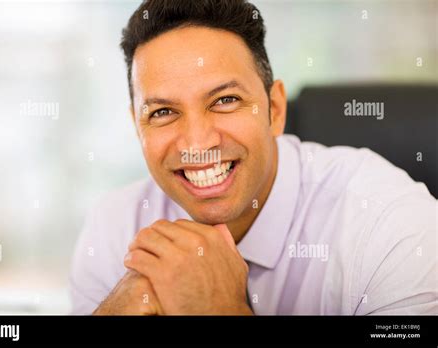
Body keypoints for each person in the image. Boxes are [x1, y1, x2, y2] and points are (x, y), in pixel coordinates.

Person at [70, 0, 437, 315]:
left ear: (274, 110)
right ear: (138, 128)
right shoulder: (113, 228)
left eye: (225, 101)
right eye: (163, 112)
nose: (197, 142)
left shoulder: (389, 222)